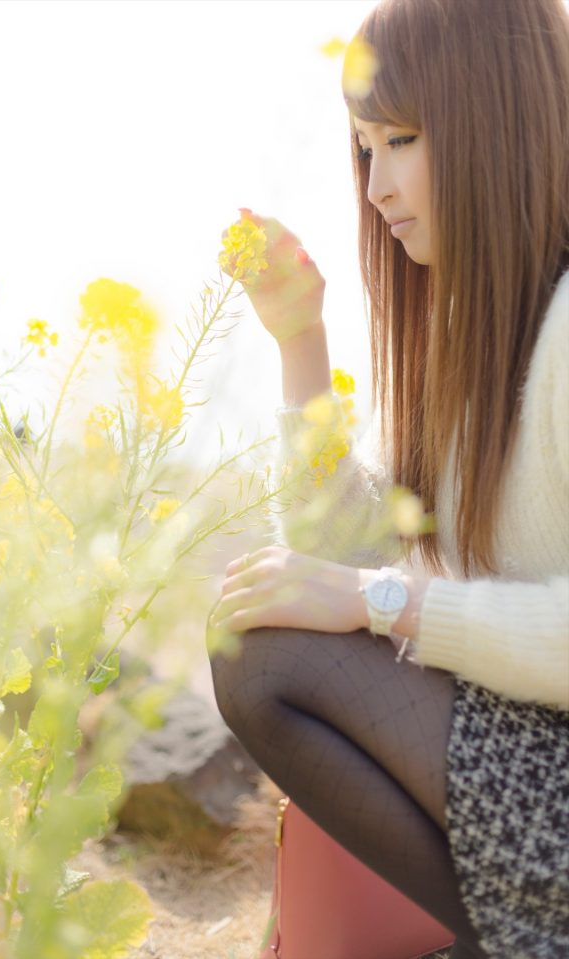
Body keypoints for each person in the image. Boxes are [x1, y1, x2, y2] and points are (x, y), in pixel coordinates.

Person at [207, 0, 569, 957]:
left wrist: (372, 600)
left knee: (275, 655)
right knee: (261, 631)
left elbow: (365, 590)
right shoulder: (469, 330)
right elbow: (355, 554)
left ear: (501, 121)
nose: (374, 185)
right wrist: (300, 342)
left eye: (401, 139)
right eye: (364, 148)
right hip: (537, 758)